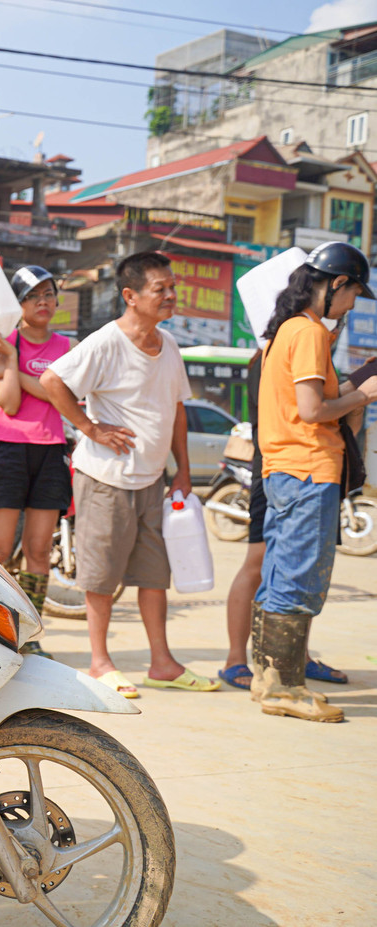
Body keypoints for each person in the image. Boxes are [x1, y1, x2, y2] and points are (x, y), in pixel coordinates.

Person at [41, 251, 218, 697]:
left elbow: (176, 409)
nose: (171, 295)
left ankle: (162, 662)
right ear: (130, 296)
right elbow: (52, 381)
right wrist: (89, 428)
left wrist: (182, 470)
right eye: (161, 289)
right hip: (105, 479)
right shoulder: (106, 342)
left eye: (172, 287)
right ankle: (101, 663)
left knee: (154, 576)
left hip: (152, 481)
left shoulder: (169, 343)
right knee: (101, 578)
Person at [252, 242, 377, 722]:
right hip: (308, 470)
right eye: (354, 293)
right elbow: (313, 412)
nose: (353, 303)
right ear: (336, 284)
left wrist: (355, 388)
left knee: (279, 575)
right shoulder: (307, 333)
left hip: (285, 469)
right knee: (300, 580)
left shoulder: (291, 330)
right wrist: (362, 395)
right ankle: (286, 688)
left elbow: (317, 398)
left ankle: (269, 680)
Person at [220, 349, 349, 689]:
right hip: (278, 469)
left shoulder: (310, 349)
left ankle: (296, 657)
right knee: (259, 561)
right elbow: (307, 410)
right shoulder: (276, 354)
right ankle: (236, 659)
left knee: (300, 567)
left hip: (311, 471)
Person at [0, 265, 75, 659]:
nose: (44, 302)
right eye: (34, 295)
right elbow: (10, 403)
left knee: (38, 551)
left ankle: (30, 634)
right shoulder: (0, 342)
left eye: (49, 294)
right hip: (5, 446)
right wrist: (14, 358)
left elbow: (62, 398)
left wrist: (14, 368)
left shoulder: (66, 348)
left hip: (50, 450)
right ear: (17, 304)